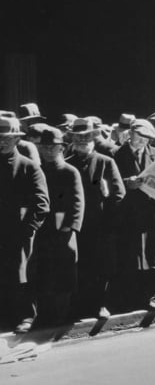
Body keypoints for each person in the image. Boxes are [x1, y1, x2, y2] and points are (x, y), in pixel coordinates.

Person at [66, 116, 125, 320]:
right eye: (78, 137)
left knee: (101, 268)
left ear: (93, 137)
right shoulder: (67, 162)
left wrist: (108, 219)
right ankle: (79, 306)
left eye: (87, 137)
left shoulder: (105, 162)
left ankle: (100, 304)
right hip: (75, 226)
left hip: (100, 225)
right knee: (77, 267)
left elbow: (118, 194)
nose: (82, 141)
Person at [113, 118, 155, 312]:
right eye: (139, 137)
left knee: (154, 254)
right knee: (131, 254)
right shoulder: (115, 154)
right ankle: (130, 296)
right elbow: (108, 182)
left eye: (147, 139)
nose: (142, 142)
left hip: (152, 210)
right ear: (130, 134)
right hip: (128, 211)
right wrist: (126, 183)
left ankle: (152, 296)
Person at [0, 117, 49, 333]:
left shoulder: (29, 167)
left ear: (16, 140)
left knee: (22, 275)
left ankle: (27, 316)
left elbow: (42, 204)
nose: (1, 143)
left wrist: (28, 229)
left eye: (6, 139)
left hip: (20, 232)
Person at [34, 126, 85, 327]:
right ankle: (46, 315)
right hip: (43, 230)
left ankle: (61, 315)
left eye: (52, 147)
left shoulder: (70, 171)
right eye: (44, 147)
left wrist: (70, 227)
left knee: (64, 273)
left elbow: (77, 203)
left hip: (63, 231)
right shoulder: (37, 170)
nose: (48, 151)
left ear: (61, 148)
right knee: (45, 272)